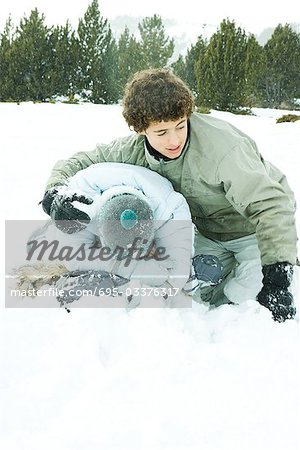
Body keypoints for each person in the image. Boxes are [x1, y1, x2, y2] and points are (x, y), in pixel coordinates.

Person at [41, 68, 298, 321]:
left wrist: (278, 275)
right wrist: (54, 192)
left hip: (254, 230)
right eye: (162, 132)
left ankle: (283, 265)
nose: (174, 140)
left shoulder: (223, 149)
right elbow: (82, 161)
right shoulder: (133, 150)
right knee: (187, 294)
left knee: (247, 295)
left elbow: (272, 206)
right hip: (206, 233)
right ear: (141, 130)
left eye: (180, 125)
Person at [25, 162, 223, 307]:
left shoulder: (172, 211)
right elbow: (74, 260)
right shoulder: (79, 208)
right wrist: (118, 266)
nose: (127, 255)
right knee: (45, 256)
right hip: (85, 222)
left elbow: (173, 278)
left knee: (173, 280)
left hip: (157, 219)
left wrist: (185, 276)